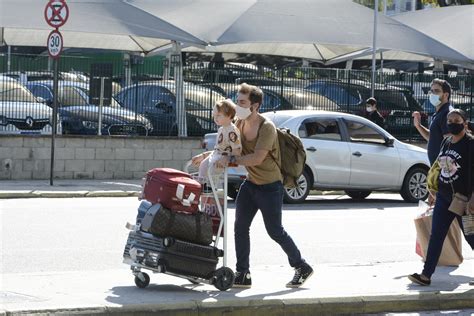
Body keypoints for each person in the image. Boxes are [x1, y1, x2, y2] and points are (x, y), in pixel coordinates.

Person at [216, 83, 313, 288]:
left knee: (275, 231)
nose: (237, 105)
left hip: (270, 187)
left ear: (255, 105)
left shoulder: (266, 127)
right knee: (240, 228)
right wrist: (210, 156)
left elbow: (257, 158)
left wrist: (231, 160)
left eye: (242, 102)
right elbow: (228, 146)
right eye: (237, 100)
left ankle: (301, 266)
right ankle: (243, 274)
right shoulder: (239, 123)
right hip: (250, 184)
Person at [408, 109, 474, 286]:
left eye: (457, 120)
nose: (452, 123)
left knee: (471, 236)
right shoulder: (446, 141)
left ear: (465, 123)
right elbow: (441, 167)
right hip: (444, 197)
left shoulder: (470, 144)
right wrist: (434, 189)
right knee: (436, 236)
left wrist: (472, 199)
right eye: (449, 120)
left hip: (464, 200)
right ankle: (426, 275)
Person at [192, 99, 241, 186]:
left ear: (229, 115)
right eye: (214, 115)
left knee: (213, 174)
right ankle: (201, 187)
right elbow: (217, 148)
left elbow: (237, 150)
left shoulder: (232, 130)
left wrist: (227, 158)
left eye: (218, 115)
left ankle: (210, 190)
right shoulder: (221, 129)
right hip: (216, 154)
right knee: (203, 165)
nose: (215, 118)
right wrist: (203, 155)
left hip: (222, 157)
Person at [412, 78, 454, 165]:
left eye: (437, 91)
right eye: (431, 91)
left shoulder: (447, 113)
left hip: (443, 169)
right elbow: (432, 137)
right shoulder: (439, 113)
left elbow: (450, 144)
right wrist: (418, 125)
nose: (432, 94)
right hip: (436, 167)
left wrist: (443, 169)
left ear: (446, 95)